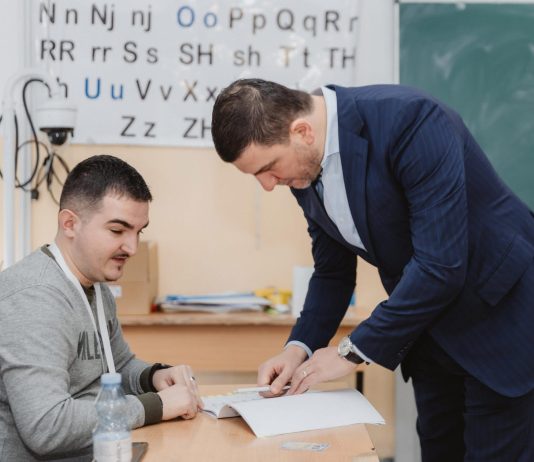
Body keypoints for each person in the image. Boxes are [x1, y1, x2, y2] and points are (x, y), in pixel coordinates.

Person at [211, 79, 534, 461]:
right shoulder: (301, 167)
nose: (268, 185)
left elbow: (440, 266)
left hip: (499, 321)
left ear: (302, 131)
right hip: (430, 332)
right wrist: (299, 348)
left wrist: (349, 352)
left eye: (267, 168)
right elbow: (332, 273)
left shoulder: (412, 120)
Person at [0, 155, 203, 461]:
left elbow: (117, 365)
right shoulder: (34, 299)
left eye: (139, 232)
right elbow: (47, 425)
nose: (132, 248)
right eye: (117, 231)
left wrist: (152, 377)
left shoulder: (95, 285)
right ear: (70, 224)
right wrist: (157, 405)